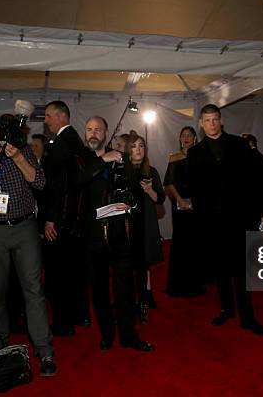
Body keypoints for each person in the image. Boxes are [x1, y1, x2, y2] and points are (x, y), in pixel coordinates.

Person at [0, 114, 56, 376]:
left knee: (34, 290)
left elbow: (39, 182)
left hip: (24, 228)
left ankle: (44, 349)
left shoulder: (23, 150)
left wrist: (17, 156)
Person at [187, 104, 263, 335]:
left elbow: (256, 180)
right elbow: (195, 189)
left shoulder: (240, 145)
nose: (212, 124)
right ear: (202, 124)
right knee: (221, 269)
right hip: (212, 222)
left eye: (215, 119)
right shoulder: (194, 153)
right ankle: (227, 309)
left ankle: (248, 316)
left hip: (240, 218)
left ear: (221, 120)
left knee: (242, 270)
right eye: (207, 120)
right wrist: (201, 220)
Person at [76, 116, 154, 351]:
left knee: (125, 289)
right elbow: (78, 181)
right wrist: (102, 160)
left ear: (106, 132)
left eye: (98, 130)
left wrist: (131, 206)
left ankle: (129, 335)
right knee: (99, 290)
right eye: (89, 129)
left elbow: (135, 193)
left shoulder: (120, 157)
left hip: (121, 235)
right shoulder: (81, 159)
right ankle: (107, 334)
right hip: (94, 237)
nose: (93, 133)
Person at [42, 101, 90, 335]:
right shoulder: (76, 141)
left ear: (62, 116)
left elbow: (57, 185)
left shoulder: (61, 143)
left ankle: (63, 323)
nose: (46, 120)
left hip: (61, 219)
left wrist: (51, 218)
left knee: (57, 275)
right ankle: (78, 316)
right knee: (74, 271)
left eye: (49, 116)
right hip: (76, 219)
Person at [125, 134, 165, 322]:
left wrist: (149, 190)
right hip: (127, 223)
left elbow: (161, 199)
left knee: (144, 262)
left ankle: (143, 300)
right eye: (134, 146)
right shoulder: (123, 170)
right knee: (129, 264)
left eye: (141, 146)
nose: (138, 149)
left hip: (147, 222)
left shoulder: (152, 171)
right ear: (128, 150)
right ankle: (130, 300)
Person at [164, 126, 204, 297]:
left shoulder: (201, 157)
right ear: (180, 139)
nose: (186, 138)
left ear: (195, 138)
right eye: (183, 135)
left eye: (189, 135)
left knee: (196, 242)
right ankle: (178, 284)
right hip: (179, 203)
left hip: (198, 205)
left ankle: (196, 283)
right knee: (180, 241)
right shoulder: (174, 157)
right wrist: (179, 199)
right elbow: (169, 183)